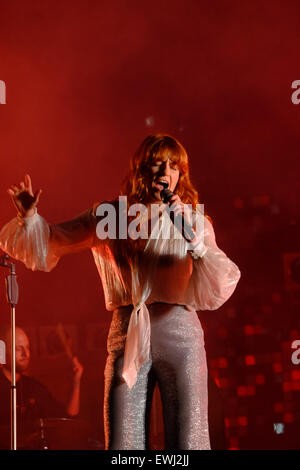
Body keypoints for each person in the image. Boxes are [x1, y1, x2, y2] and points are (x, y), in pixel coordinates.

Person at [0, 134, 241, 450]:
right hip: (127, 334)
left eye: (174, 165)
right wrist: (29, 218)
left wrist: (191, 236)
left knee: (189, 441)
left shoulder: (193, 219)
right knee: (123, 444)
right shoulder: (110, 215)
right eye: (158, 162)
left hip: (180, 334)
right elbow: (56, 240)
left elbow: (221, 279)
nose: (165, 171)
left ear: (181, 173)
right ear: (142, 167)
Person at [0, 325, 84, 449]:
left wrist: (76, 382)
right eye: (18, 348)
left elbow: (67, 418)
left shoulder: (35, 388)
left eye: (28, 347)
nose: (26, 354)